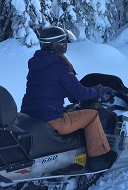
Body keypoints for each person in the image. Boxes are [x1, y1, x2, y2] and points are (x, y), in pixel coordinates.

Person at [20, 26, 117, 172]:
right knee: (92, 115)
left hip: (31, 117)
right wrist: (99, 91)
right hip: (51, 120)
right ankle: (99, 158)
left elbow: (52, 88)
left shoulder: (37, 62)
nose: (66, 45)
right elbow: (79, 93)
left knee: (71, 110)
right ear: (58, 44)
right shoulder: (59, 64)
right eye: (64, 42)